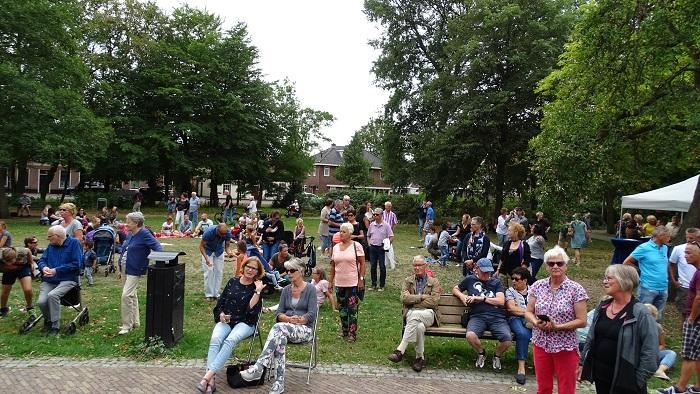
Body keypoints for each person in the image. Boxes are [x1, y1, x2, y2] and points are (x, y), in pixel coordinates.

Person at [240, 258, 317, 394]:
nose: (289, 273)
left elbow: (311, 314)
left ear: (300, 271)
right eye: (287, 271)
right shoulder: (286, 290)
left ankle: (259, 367)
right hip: (285, 329)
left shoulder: (310, 289)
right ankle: (279, 383)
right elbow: (279, 313)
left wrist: (298, 320)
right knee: (279, 339)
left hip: (304, 330)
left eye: (292, 270)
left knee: (278, 328)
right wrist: (287, 318)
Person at [579, 264, 658, 394]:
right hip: (601, 375)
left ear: (624, 281)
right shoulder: (602, 307)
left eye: (609, 278)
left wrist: (637, 381)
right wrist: (583, 363)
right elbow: (591, 338)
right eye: (605, 278)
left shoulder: (640, 313)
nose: (604, 281)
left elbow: (651, 351)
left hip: (626, 382)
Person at [524, 246, 588, 394]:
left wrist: (558, 327)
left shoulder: (576, 289)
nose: (555, 266)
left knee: (566, 388)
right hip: (541, 342)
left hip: (565, 345)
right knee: (543, 387)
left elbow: (582, 320)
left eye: (559, 263)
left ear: (566, 265)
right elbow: (528, 312)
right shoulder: (537, 286)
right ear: (546, 266)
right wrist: (535, 322)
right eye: (551, 263)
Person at [198, 257, 264, 394]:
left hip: (245, 323)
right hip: (227, 320)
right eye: (248, 267)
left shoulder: (257, 287)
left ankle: (207, 377)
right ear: (244, 266)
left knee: (230, 340)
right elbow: (221, 302)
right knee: (215, 340)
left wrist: (257, 291)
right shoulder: (233, 281)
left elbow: (251, 312)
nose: (250, 270)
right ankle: (211, 382)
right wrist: (221, 313)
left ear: (258, 272)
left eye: (254, 268)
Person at [452, 258, 511, 370]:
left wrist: (482, 299)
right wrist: (462, 296)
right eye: (484, 271)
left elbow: (500, 301)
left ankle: (497, 356)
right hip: (477, 316)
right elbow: (455, 289)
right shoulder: (470, 280)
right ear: (476, 269)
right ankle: (481, 352)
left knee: (507, 339)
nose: (486, 274)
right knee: (470, 336)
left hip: (497, 317)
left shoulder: (496, 282)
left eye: (488, 272)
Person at [657, 241, 700, 394]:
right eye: (685, 252)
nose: (685, 256)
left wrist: (692, 317)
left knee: (689, 354)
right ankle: (697, 388)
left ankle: (679, 389)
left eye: (689, 253)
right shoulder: (697, 270)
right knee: (697, 354)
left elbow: (699, 298)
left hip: (695, 319)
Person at [388, 255, 441, 372]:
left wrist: (413, 302)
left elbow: (434, 301)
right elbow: (403, 298)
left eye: (419, 265)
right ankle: (419, 359)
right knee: (419, 327)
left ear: (426, 266)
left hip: (428, 314)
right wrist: (421, 297)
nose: (417, 268)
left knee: (414, 315)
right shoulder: (408, 281)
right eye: (415, 265)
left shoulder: (434, 282)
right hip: (412, 314)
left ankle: (400, 350)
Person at [118, 212, 162, 335]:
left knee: (126, 295)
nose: (126, 224)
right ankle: (135, 322)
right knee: (132, 294)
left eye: (129, 222)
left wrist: (159, 261)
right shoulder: (130, 234)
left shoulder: (144, 234)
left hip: (135, 268)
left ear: (136, 223)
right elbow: (124, 250)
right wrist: (119, 268)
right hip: (124, 267)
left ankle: (126, 325)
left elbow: (157, 247)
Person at [36, 226, 82, 335]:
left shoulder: (74, 243)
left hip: (68, 279)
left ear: (57, 236)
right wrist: (44, 267)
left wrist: (56, 270)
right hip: (50, 279)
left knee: (53, 295)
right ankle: (48, 320)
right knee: (41, 302)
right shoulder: (51, 246)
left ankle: (55, 326)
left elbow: (77, 264)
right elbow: (42, 260)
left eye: (50, 237)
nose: (48, 239)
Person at [623, 226, 671, 321]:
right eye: (668, 236)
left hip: (663, 288)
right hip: (648, 288)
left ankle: (654, 334)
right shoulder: (643, 248)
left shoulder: (665, 248)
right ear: (660, 236)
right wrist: (640, 271)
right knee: (643, 315)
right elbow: (627, 262)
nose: (669, 238)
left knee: (657, 316)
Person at [329, 222, 366, 341]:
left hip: (352, 283)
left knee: (352, 309)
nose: (341, 233)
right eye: (340, 231)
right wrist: (330, 281)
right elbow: (333, 266)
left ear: (350, 233)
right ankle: (344, 330)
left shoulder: (356, 246)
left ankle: (352, 333)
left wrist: (361, 279)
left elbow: (363, 263)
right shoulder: (335, 248)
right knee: (342, 309)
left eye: (344, 231)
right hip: (339, 283)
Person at [505, 266, 533, 385]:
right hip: (515, 319)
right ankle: (521, 368)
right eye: (512, 278)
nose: (513, 281)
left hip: (532, 320)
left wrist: (525, 312)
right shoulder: (510, 291)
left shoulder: (534, 291)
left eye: (517, 279)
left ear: (525, 280)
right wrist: (529, 312)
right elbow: (511, 309)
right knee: (523, 334)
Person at [200, 223, 235, 301]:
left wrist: (229, 253)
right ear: (217, 230)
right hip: (207, 251)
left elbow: (227, 246)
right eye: (221, 233)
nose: (223, 235)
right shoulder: (209, 232)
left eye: (224, 234)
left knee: (219, 272)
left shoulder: (227, 233)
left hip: (219, 251)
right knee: (209, 272)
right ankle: (209, 294)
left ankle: (216, 294)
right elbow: (201, 246)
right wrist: (206, 259)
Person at [669, 228, 699, 313]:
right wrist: (674, 281)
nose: (689, 240)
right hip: (684, 287)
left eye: (691, 238)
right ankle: (684, 326)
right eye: (687, 238)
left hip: (698, 286)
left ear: (698, 238)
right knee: (685, 313)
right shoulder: (678, 249)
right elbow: (671, 264)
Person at [645, 304, 677, 381]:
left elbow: (662, 345)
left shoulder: (658, 327)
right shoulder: (634, 326)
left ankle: (660, 371)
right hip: (638, 355)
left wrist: (655, 351)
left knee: (671, 353)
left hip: (653, 354)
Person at [0, 246, 34, 317]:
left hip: (23, 268)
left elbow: (28, 250)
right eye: (6, 261)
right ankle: (3, 309)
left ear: (16, 257)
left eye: (10, 261)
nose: (8, 263)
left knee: (28, 289)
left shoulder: (20, 251)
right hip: (8, 271)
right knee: (5, 291)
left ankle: (29, 307)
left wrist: (31, 262)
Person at [366, 207, 393, 291]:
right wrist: (369, 243)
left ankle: (382, 285)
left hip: (381, 248)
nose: (375, 216)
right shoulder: (371, 224)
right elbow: (368, 235)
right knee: (373, 266)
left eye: (377, 214)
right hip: (373, 247)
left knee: (382, 266)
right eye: (374, 214)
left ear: (381, 215)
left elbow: (391, 236)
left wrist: (387, 245)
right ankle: (373, 284)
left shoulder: (386, 225)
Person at [497, 222, 530, 289]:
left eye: (509, 230)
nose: (507, 232)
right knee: (502, 291)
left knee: (514, 293)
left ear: (516, 232)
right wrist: (498, 269)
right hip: (503, 272)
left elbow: (526, 261)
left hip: (515, 275)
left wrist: (520, 274)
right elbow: (502, 258)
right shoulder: (507, 243)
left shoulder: (524, 245)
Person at [383, 201, 399, 269]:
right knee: (383, 246)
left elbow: (395, 223)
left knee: (389, 246)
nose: (389, 207)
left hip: (389, 233)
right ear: (385, 206)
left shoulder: (393, 214)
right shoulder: (382, 213)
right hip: (382, 232)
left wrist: (392, 231)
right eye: (388, 206)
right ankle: (385, 262)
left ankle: (391, 262)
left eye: (390, 206)